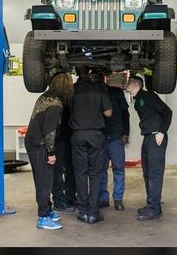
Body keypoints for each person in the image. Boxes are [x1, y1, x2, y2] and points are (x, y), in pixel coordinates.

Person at [25, 73, 74, 230]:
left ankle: (49, 210)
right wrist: (51, 153)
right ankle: (43, 217)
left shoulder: (45, 97)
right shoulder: (56, 105)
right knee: (44, 182)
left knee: (44, 179)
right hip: (40, 145)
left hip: (33, 142)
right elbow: (49, 131)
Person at [125, 75, 172, 221]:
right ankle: (152, 205)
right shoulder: (138, 98)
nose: (126, 85)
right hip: (147, 137)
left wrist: (162, 132)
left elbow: (167, 112)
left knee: (154, 173)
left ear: (134, 84)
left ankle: (154, 210)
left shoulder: (148, 96)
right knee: (147, 173)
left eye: (128, 83)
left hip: (155, 137)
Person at [70, 68, 112, 224]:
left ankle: (82, 211)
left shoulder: (72, 90)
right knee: (96, 174)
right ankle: (93, 213)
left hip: (78, 135)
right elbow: (108, 113)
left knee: (80, 174)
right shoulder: (98, 89)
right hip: (96, 135)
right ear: (89, 74)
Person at [98, 78, 130, 211]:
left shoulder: (116, 92)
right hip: (99, 137)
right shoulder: (94, 93)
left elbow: (125, 114)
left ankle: (118, 199)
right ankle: (103, 199)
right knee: (101, 170)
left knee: (118, 169)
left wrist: (126, 133)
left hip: (116, 136)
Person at [51, 95, 77, 214]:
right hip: (61, 139)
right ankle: (60, 201)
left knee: (67, 170)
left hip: (67, 138)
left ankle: (67, 198)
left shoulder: (62, 100)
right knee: (60, 170)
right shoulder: (58, 101)